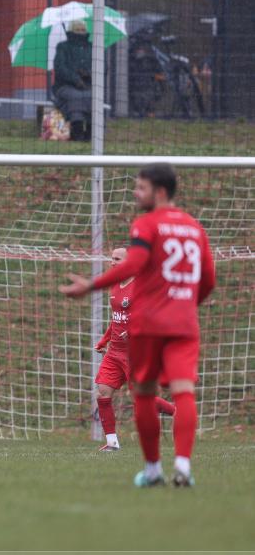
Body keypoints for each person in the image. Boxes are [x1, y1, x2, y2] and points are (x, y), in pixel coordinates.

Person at [60, 163, 215, 488]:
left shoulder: (148, 224)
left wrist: (90, 285)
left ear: (159, 192)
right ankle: (184, 467)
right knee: (184, 392)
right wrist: (186, 305)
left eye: (140, 187)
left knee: (142, 394)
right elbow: (208, 281)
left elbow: (133, 264)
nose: (135, 193)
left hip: (151, 324)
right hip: (184, 323)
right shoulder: (194, 228)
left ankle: (154, 469)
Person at [94, 247, 175, 453]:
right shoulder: (115, 286)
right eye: (111, 258)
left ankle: (178, 411)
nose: (111, 262)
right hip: (115, 353)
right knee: (103, 392)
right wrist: (104, 341)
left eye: (116, 259)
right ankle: (112, 443)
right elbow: (116, 321)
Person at [53, 20, 93, 141]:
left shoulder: (93, 47)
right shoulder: (62, 47)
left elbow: (103, 66)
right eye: (77, 30)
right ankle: (77, 129)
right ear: (71, 31)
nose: (81, 32)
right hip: (65, 86)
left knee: (92, 96)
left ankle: (91, 131)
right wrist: (75, 79)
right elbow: (60, 68)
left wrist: (88, 73)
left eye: (83, 30)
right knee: (75, 96)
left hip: (88, 86)